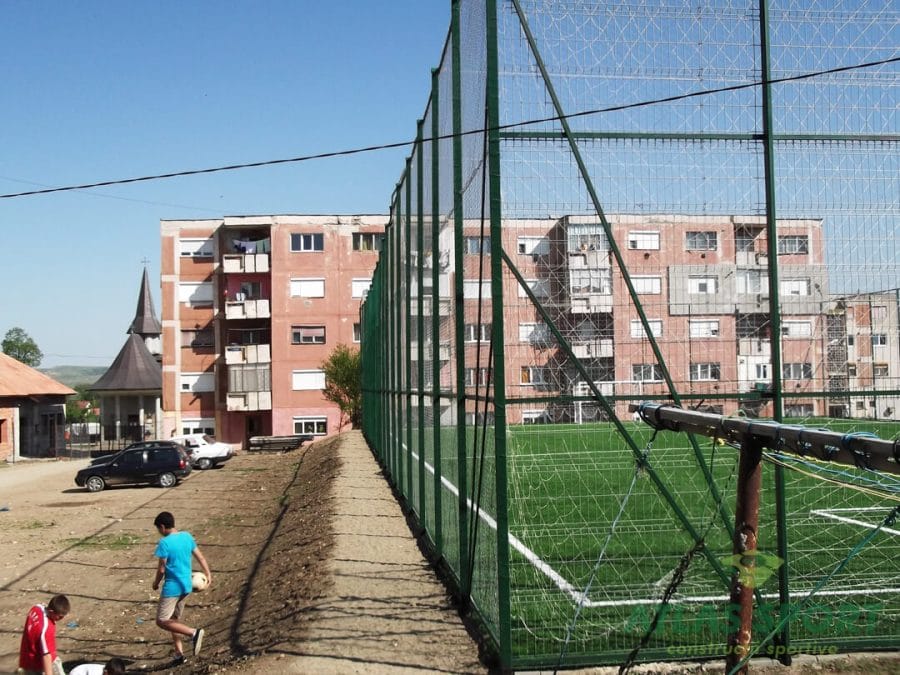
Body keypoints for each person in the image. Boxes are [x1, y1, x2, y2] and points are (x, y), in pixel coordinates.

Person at [152, 511, 211, 664]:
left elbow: (162, 569)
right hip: (186, 586)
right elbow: (200, 557)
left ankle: (193, 633)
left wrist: (156, 583)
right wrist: (208, 574)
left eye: (158, 529)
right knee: (174, 620)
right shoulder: (186, 536)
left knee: (162, 620)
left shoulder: (164, 543)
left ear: (162, 527)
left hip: (172, 588)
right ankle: (179, 654)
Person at [18, 594, 70, 675]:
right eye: (60, 617)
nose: (61, 619)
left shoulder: (36, 608)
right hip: (38, 663)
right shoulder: (46, 629)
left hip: (26, 657)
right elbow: (46, 656)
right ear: (51, 611)